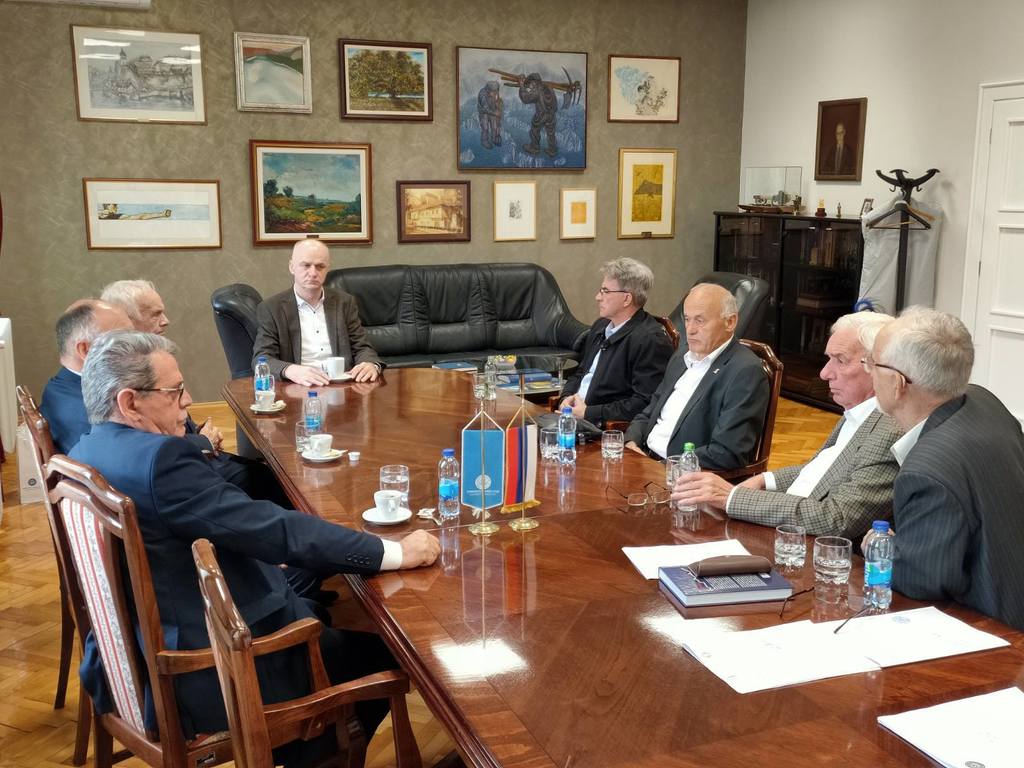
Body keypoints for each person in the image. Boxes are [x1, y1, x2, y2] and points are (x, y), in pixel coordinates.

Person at [69, 330, 440, 763]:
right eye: (174, 392)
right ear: (130, 402)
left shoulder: (85, 452)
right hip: (212, 671)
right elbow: (275, 530)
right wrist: (392, 552)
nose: (188, 401)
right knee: (383, 651)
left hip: (135, 660)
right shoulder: (161, 462)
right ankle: (313, 748)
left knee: (318, 601)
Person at [671, 311, 901, 539]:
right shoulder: (859, 411)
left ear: (879, 367)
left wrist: (730, 497)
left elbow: (836, 518)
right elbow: (823, 471)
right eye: (829, 359)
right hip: (784, 524)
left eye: (840, 360)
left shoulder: (889, 430)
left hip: (803, 545)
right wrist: (764, 481)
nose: (824, 373)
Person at [867, 307, 1024, 631]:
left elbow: (923, 579)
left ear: (898, 383)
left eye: (873, 362)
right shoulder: (984, 401)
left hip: (993, 630)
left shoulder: (927, 472)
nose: (868, 370)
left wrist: (881, 547)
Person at [624, 283, 769, 470]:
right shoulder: (681, 356)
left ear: (730, 322)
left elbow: (727, 452)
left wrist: (662, 466)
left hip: (681, 475)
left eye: (700, 320)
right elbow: (650, 411)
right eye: (687, 319)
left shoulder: (745, 372)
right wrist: (631, 442)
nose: (690, 329)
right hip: (642, 459)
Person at [556, 257, 673, 431]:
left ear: (626, 299)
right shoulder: (600, 326)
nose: (598, 297)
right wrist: (566, 398)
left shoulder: (651, 340)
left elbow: (644, 403)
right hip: (572, 417)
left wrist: (589, 413)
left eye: (605, 291)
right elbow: (581, 372)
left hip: (602, 429)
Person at [252, 239, 382, 387]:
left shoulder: (344, 302)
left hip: (342, 385)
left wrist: (370, 364)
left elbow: (362, 347)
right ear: (292, 267)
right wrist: (290, 370)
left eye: (320, 266)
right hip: (299, 386)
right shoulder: (272, 308)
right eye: (306, 265)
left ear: (327, 269)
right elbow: (262, 358)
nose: (313, 273)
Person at [40, 300, 133, 453]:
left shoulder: (60, 387)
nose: (137, 347)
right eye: (124, 339)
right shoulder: (96, 413)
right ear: (86, 350)